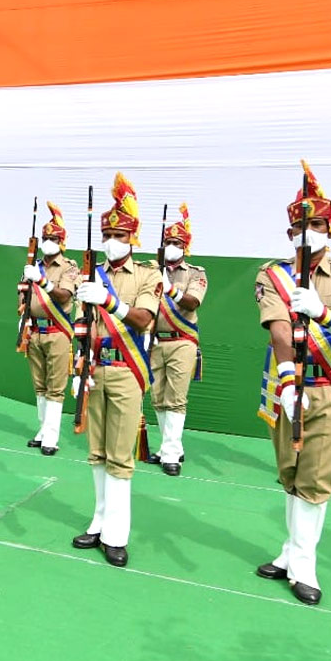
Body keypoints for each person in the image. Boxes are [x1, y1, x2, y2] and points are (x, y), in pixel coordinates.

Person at [254, 163, 331, 606]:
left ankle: (304, 565)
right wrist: (286, 382)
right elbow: (278, 329)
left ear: (330, 228)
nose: (308, 232)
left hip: (327, 387)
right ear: (289, 233)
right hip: (286, 384)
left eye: (316, 224)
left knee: (315, 479)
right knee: (289, 472)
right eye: (300, 226)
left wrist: (324, 313)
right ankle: (288, 553)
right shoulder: (271, 275)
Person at [71, 173, 161, 567]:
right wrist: (78, 362)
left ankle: (116, 533)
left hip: (126, 369)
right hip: (95, 367)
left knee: (121, 453)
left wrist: (109, 301)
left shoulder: (148, 274)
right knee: (96, 451)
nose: (112, 240)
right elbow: (80, 323)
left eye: (120, 235)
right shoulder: (86, 272)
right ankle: (99, 519)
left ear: (133, 238)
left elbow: (143, 319)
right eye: (107, 233)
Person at [147, 203, 208, 476]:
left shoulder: (195, 273)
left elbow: (192, 303)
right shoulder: (149, 269)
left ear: (185, 246)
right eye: (168, 242)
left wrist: (169, 287)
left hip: (182, 339)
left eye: (176, 242)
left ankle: (171, 453)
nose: (171, 246)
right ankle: (169, 445)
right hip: (154, 340)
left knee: (176, 398)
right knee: (158, 396)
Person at [19, 202, 79, 455]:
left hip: (57, 332)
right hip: (35, 331)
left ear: (62, 242)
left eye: (53, 238)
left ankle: (51, 438)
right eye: (46, 238)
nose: (48, 242)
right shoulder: (34, 264)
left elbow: (64, 296)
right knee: (39, 385)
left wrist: (41, 280)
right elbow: (23, 295)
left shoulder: (69, 267)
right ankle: (43, 430)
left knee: (55, 386)